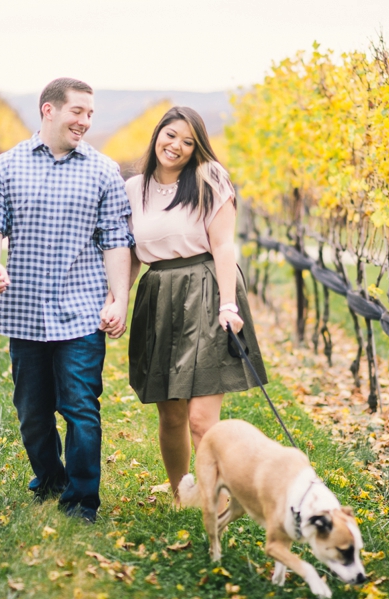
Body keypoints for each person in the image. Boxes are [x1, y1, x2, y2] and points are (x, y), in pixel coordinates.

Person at [0, 77, 132, 522]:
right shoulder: (4, 167)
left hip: (81, 312)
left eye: (90, 114)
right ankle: (49, 477)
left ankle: (83, 499)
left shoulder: (104, 171)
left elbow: (117, 241)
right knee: (32, 415)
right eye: (77, 111)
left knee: (81, 408)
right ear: (48, 109)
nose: (84, 121)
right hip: (24, 312)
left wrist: (118, 299)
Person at [104, 106, 267, 502]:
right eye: (171, 135)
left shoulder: (209, 178)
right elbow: (133, 254)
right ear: (157, 134)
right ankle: (182, 494)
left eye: (188, 141)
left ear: (197, 148)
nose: (176, 146)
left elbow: (224, 245)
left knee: (199, 418)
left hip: (207, 291)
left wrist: (229, 304)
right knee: (172, 413)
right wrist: (118, 301)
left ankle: (215, 498)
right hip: (159, 294)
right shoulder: (133, 188)